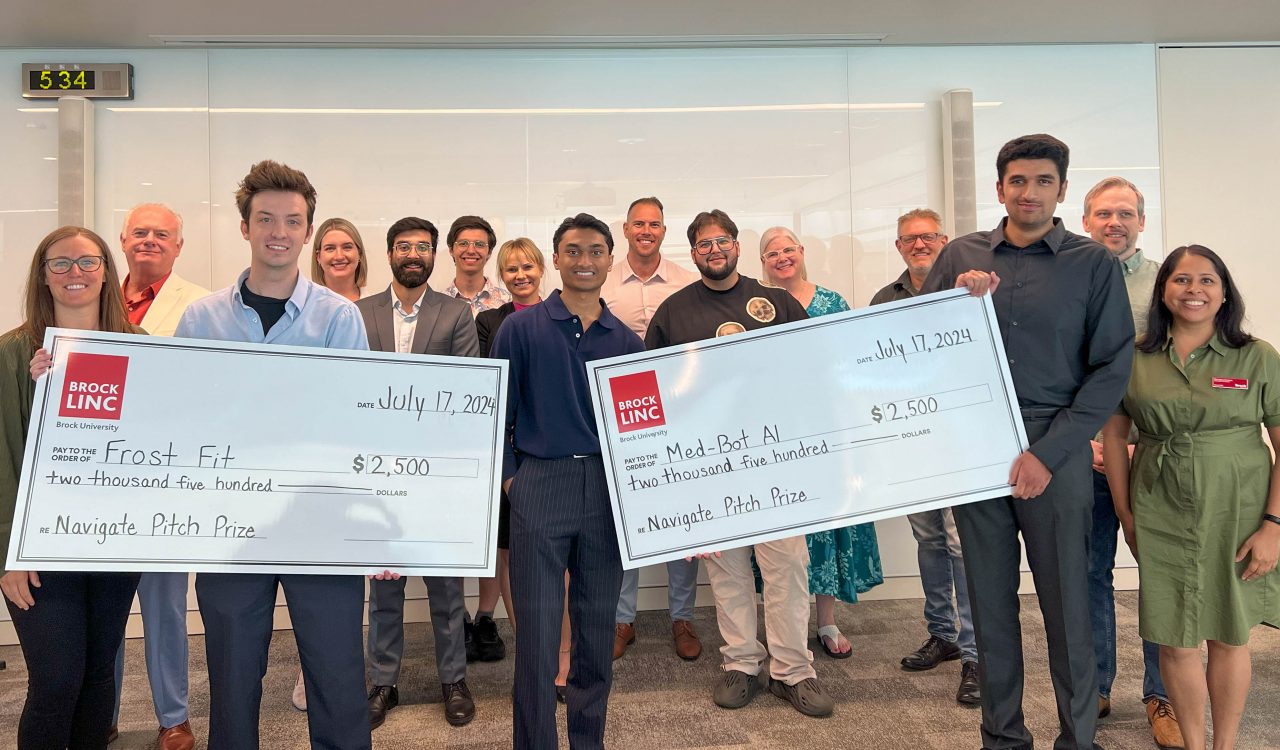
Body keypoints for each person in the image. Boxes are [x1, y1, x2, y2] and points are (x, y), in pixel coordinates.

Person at [922, 134, 1134, 750]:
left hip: (1055, 440)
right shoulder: (960, 253)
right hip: (975, 438)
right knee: (989, 603)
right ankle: (1003, 736)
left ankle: (1078, 738)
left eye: (1043, 181)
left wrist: (1047, 454)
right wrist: (949, 301)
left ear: (1062, 190)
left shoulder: (1092, 263)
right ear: (999, 190)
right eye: (1018, 181)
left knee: (1067, 601)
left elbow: (1112, 367)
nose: (1029, 192)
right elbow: (918, 343)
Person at [174, 160, 386, 750]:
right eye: (265, 218)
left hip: (321, 524)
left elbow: (356, 426)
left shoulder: (339, 318)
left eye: (293, 221)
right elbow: (177, 417)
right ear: (244, 227)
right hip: (231, 525)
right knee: (234, 676)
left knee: (337, 677)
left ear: (307, 232)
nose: (278, 231)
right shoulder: (202, 319)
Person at [647, 210, 833, 718]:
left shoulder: (776, 301)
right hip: (711, 464)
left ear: (736, 246)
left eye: (722, 240)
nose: (714, 250)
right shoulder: (674, 311)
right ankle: (742, 662)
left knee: (787, 565)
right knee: (727, 568)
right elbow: (656, 394)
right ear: (693, 252)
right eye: (703, 244)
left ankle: (793, 668)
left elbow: (812, 369)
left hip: (775, 459)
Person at [1102, 245, 1280, 750]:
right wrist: (1125, 512)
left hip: (1239, 509)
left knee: (1228, 633)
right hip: (1159, 505)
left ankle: (1224, 745)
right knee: (1174, 637)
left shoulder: (1257, 355)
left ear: (1225, 294)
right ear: (1163, 291)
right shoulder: (1134, 356)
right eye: (1182, 280)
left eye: (1207, 280)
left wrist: (1274, 523)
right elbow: (1115, 437)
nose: (1194, 290)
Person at [492, 213, 644, 749]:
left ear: (610, 258)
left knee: (596, 633)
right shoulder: (521, 329)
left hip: (605, 493)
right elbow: (497, 419)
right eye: (574, 251)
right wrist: (514, 483)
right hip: (541, 486)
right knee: (535, 639)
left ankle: (588, 740)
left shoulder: (625, 341)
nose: (585, 261)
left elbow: (639, 434)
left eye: (597, 251)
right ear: (555, 259)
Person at [1, 226, 143, 749]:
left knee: (99, 675)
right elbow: (3, 461)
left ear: (107, 270)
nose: (74, 274)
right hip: (39, 549)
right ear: (43, 275)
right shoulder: (14, 355)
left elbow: (157, 443)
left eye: (87, 262)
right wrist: (8, 555)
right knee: (56, 679)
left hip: (113, 542)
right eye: (59, 264)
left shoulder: (141, 349)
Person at [358, 216, 480, 729]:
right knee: (384, 586)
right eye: (404, 246)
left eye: (423, 248)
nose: (414, 254)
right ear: (389, 253)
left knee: (446, 588)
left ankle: (454, 678)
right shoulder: (358, 313)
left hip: (435, 476)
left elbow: (466, 392)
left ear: (435, 256)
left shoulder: (455, 314)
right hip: (378, 475)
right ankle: (383, 681)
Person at [1081, 177, 1184, 748]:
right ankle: (1095, 685)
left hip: (1153, 454)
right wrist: (1087, 442)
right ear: (1085, 219)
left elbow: (1176, 369)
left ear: (1142, 222)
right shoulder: (1069, 280)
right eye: (1103, 213)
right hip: (1086, 454)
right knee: (1090, 572)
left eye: (1125, 213)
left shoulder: (1166, 286)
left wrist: (1143, 441)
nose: (1114, 222)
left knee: (1158, 576)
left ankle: (1160, 693)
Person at [867, 209, 980, 706]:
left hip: (960, 437)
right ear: (898, 247)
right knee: (928, 536)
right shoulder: (882, 300)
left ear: (944, 240)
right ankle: (943, 634)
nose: (919, 245)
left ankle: (978, 653)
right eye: (909, 239)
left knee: (961, 543)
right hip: (911, 439)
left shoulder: (968, 294)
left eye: (927, 237)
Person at [110, 203, 210, 749]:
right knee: (102, 606)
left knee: (164, 604)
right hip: (97, 477)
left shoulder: (199, 305)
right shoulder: (92, 297)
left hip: (166, 476)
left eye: (161, 235)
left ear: (179, 245)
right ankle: (102, 712)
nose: (150, 241)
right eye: (140, 233)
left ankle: (174, 716)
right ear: (122, 240)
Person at [758, 225, 883, 660]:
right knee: (781, 528)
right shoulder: (756, 306)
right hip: (774, 432)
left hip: (829, 427)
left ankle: (826, 621)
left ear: (802, 252)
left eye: (788, 249)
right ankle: (778, 625)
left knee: (828, 523)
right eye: (772, 253)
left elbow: (851, 364)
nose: (781, 258)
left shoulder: (832, 302)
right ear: (763, 263)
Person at [600, 196, 701, 661]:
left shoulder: (687, 282)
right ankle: (623, 619)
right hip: (620, 413)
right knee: (626, 518)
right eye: (638, 223)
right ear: (625, 229)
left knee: (680, 517)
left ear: (664, 230)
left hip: (678, 412)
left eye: (654, 224)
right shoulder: (603, 280)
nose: (646, 230)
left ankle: (683, 616)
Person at [444, 215, 511, 316]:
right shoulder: (437, 304)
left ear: (489, 252)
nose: (471, 251)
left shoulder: (508, 302)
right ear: (451, 250)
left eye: (479, 244)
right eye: (463, 243)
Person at [310, 217, 368, 302]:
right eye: (330, 248)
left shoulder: (378, 309)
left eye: (347, 247)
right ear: (318, 257)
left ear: (359, 254)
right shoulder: (303, 307)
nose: (339, 256)